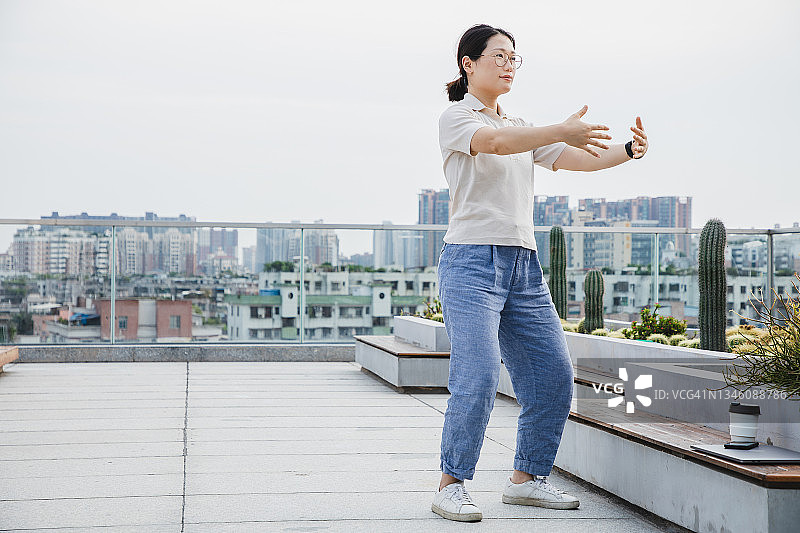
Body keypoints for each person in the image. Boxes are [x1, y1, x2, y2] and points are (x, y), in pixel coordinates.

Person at [431, 24, 648, 523]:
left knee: (553, 376)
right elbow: (500, 144)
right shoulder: (457, 118)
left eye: (515, 58)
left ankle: (527, 479)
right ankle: (451, 483)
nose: (509, 64)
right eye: (499, 56)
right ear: (469, 63)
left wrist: (629, 152)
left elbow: (576, 159)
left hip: (522, 265)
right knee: (479, 374)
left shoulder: (524, 124)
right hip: (470, 262)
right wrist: (557, 129)